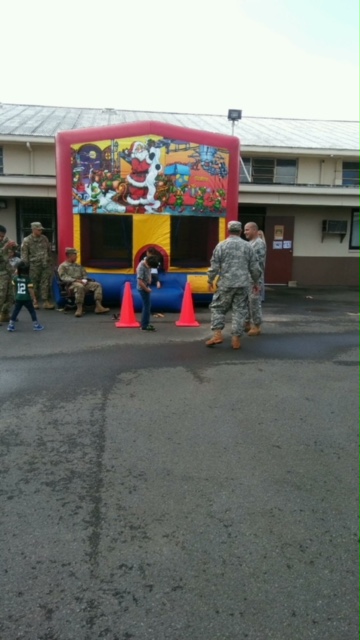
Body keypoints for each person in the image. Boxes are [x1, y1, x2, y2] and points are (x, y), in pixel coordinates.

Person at [205, 220, 261, 349]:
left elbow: (214, 265)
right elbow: (255, 267)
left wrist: (210, 280)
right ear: (240, 231)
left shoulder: (221, 245)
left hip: (226, 283)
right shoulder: (248, 247)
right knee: (239, 311)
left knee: (218, 308)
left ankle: (217, 334)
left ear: (228, 231)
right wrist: (256, 282)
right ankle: (236, 339)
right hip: (243, 284)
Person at [57, 248, 110, 317]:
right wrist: (76, 280)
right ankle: (79, 308)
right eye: (75, 255)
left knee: (97, 285)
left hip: (82, 282)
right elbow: (63, 277)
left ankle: (98, 306)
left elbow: (84, 274)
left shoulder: (78, 266)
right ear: (69, 256)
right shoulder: (63, 266)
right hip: (71, 285)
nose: (76, 257)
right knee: (79, 286)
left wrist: (85, 280)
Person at [21, 221, 55, 310]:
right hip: (34, 265)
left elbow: (49, 250)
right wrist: (25, 266)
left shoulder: (44, 238)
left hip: (45, 264)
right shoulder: (27, 240)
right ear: (34, 229)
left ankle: (46, 301)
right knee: (34, 283)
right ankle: (34, 301)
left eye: (41, 230)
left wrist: (49, 261)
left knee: (46, 282)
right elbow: (24, 254)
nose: (41, 231)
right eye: (39, 230)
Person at [244, 222, 267, 335]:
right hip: (247, 278)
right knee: (246, 302)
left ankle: (256, 326)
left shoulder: (258, 244)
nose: (245, 232)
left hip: (254, 279)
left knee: (254, 302)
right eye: (244, 229)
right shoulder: (250, 243)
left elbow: (256, 264)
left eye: (247, 229)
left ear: (254, 230)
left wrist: (256, 281)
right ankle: (247, 323)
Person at [7, 261, 44, 332]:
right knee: (32, 311)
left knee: (15, 311)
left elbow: (14, 288)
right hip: (27, 298)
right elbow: (31, 290)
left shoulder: (15, 278)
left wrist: (15, 296)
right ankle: (36, 325)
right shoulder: (28, 279)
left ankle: (11, 325)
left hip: (18, 298)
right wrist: (34, 299)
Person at [136, 254, 160, 331]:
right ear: (148, 263)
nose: (150, 268)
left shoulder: (146, 264)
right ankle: (144, 325)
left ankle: (145, 324)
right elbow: (140, 282)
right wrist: (146, 289)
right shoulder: (141, 267)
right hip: (142, 289)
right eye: (150, 266)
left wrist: (149, 277)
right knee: (146, 307)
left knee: (147, 306)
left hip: (146, 286)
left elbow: (149, 271)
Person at [0, 225, 16, 324]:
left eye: (3, 236)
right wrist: (5, 248)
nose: (1, 238)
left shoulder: (4, 241)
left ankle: (5, 314)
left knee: (10, 295)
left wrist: (13, 246)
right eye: (0, 236)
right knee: (1, 295)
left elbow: (15, 248)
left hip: (8, 272)